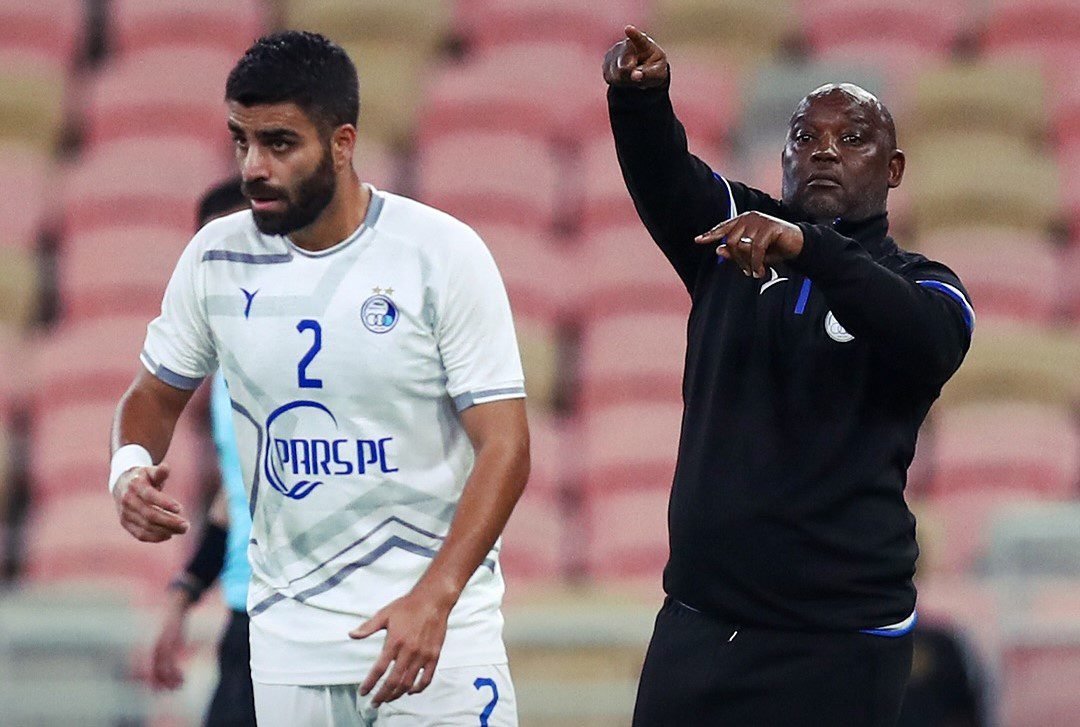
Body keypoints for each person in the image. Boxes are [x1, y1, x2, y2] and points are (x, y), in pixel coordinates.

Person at [109, 31, 527, 727]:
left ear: (342, 142)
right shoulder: (215, 257)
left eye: (279, 143)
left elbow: (507, 445)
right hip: (289, 649)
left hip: (437, 644)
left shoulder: (441, 254)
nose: (253, 167)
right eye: (240, 140)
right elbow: (151, 397)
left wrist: (437, 595)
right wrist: (127, 467)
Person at [602, 25, 975, 726]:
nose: (825, 149)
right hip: (698, 626)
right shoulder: (733, 238)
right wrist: (639, 102)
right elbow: (665, 177)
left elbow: (925, 337)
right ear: (782, 159)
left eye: (852, 138)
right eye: (805, 138)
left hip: (838, 644)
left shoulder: (927, 287)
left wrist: (809, 248)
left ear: (894, 169)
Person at [148, 177, 257, 726]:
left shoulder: (318, 371)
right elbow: (234, 498)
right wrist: (182, 597)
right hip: (246, 622)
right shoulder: (225, 379)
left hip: (313, 631)